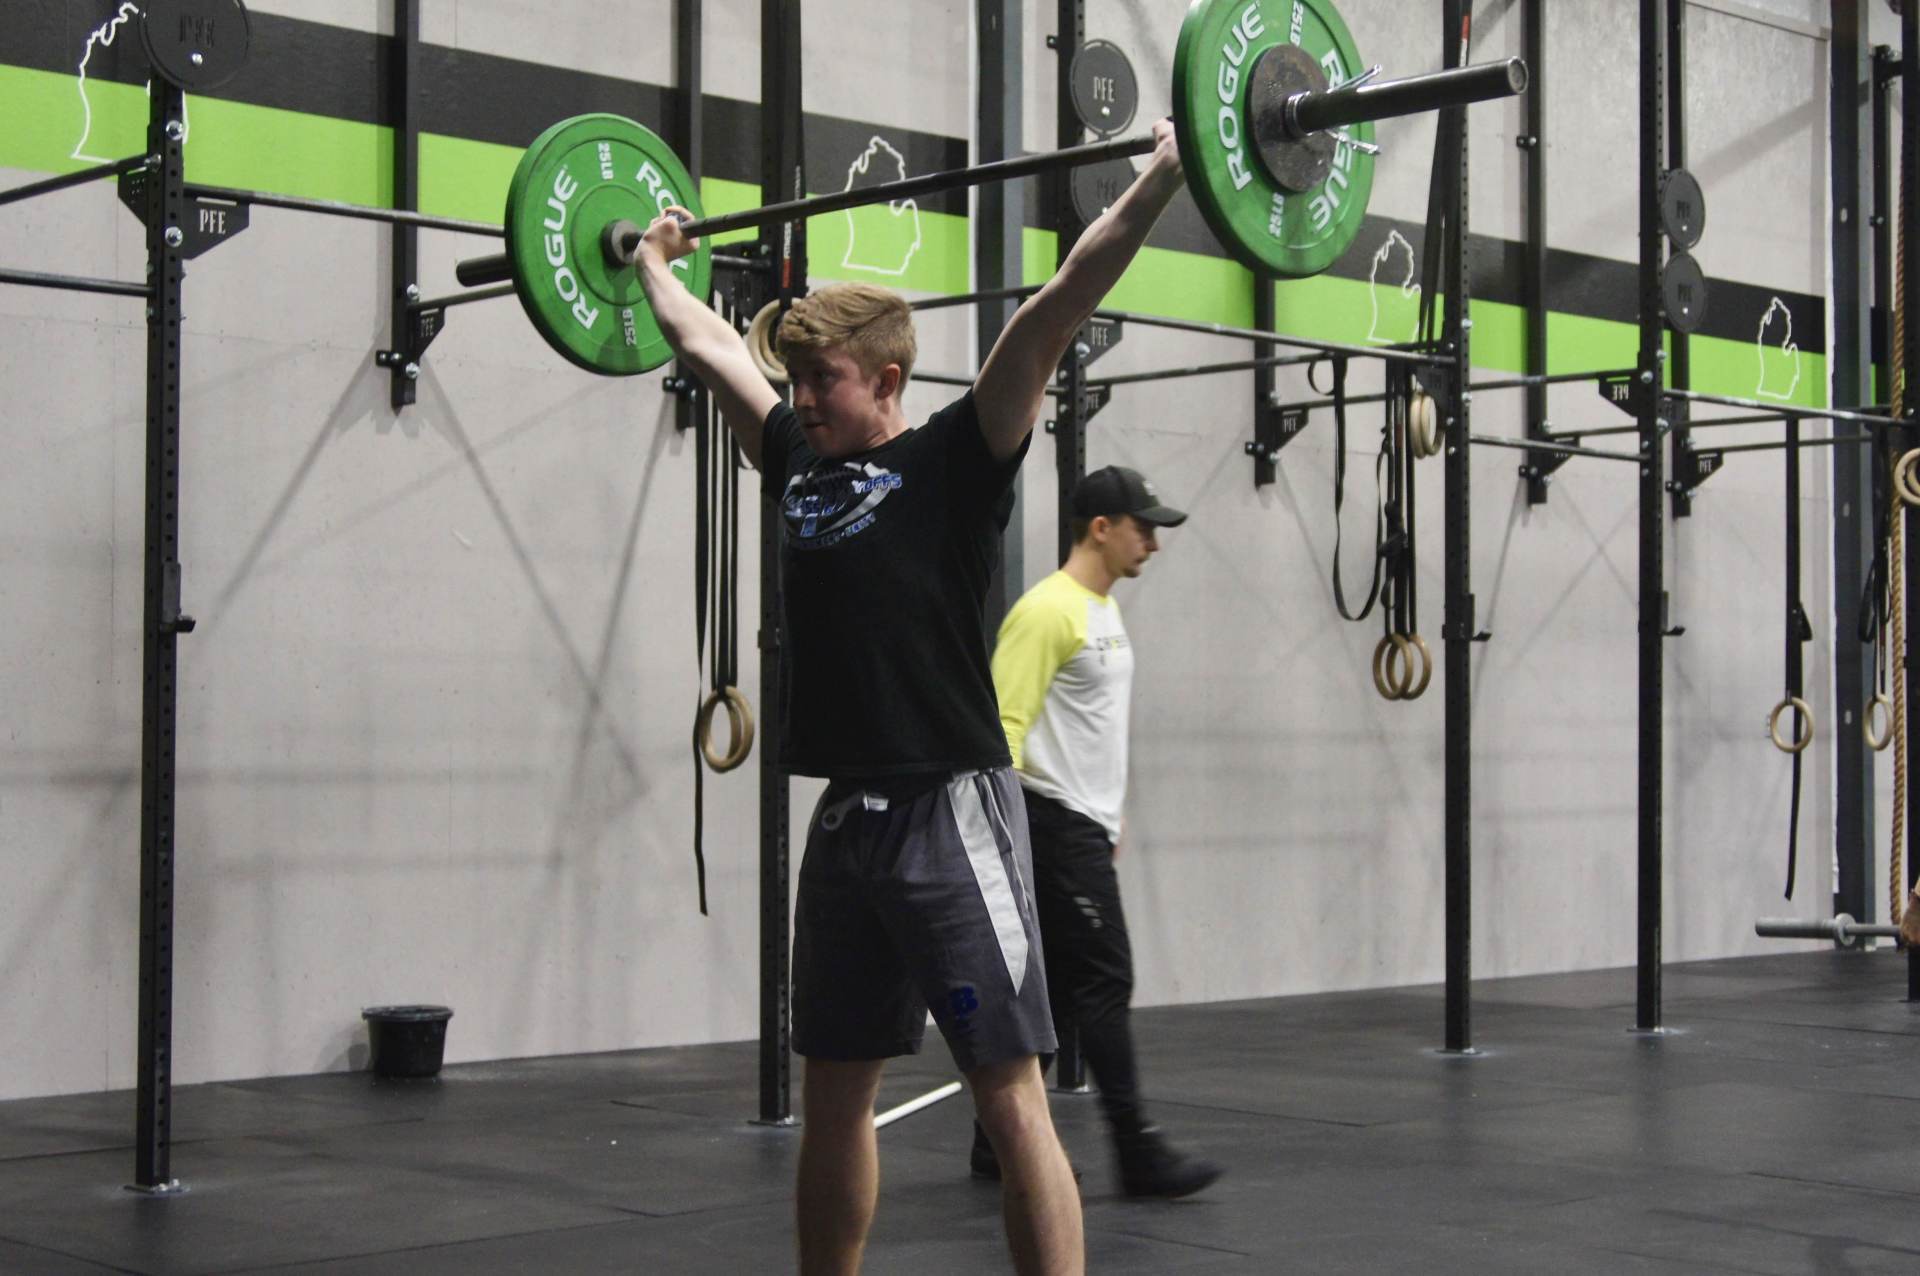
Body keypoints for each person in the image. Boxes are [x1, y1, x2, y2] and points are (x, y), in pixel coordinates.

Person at [634, 120, 1185, 1276]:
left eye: (823, 378)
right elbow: (703, 347)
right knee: (833, 1091)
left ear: (887, 376)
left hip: (952, 808)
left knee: (1010, 1098)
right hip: (849, 822)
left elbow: (1066, 296)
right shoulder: (793, 456)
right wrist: (649, 260)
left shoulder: (956, 456)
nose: (804, 396)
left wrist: (1169, 172)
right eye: (797, 379)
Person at [973, 466, 1223, 1199]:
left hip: (1082, 825)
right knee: (1105, 979)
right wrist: (1019, 842)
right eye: (1143, 526)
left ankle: (996, 1146)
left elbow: (1087, 729)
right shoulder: (1048, 611)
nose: (1154, 541)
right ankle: (1137, 1151)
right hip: (1050, 826)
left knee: (1047, 992)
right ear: (1101, 528)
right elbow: (1003, 730)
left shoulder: (1102, 607)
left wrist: (1106, 818)